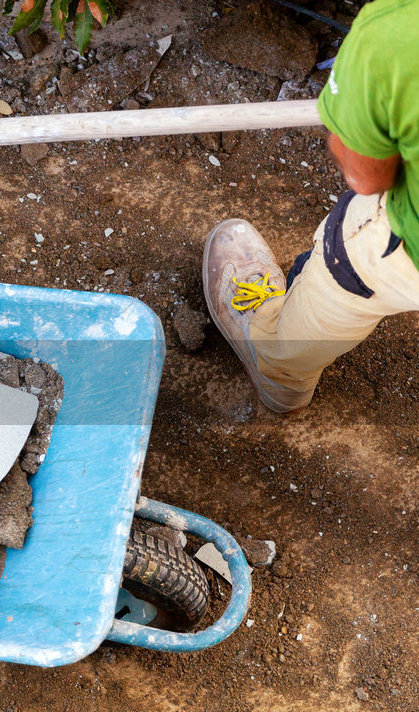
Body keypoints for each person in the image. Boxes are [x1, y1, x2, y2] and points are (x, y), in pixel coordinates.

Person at [202, 0, 418, 413]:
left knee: (346, 264)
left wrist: (351, 117)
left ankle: (280, 373)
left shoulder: (397, 34)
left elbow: (366, 177)